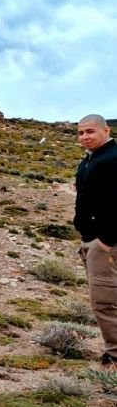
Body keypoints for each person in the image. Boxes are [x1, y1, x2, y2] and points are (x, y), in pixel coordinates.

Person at [73, 114, 117, 369]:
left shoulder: (112, 159)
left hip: (105, 243)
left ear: (105, 130)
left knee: (105, 301)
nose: (85, 137)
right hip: (91, 240)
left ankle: (115, 357)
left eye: (90, 131)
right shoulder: (90, 160)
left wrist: (106, 239)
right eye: (80, 133)